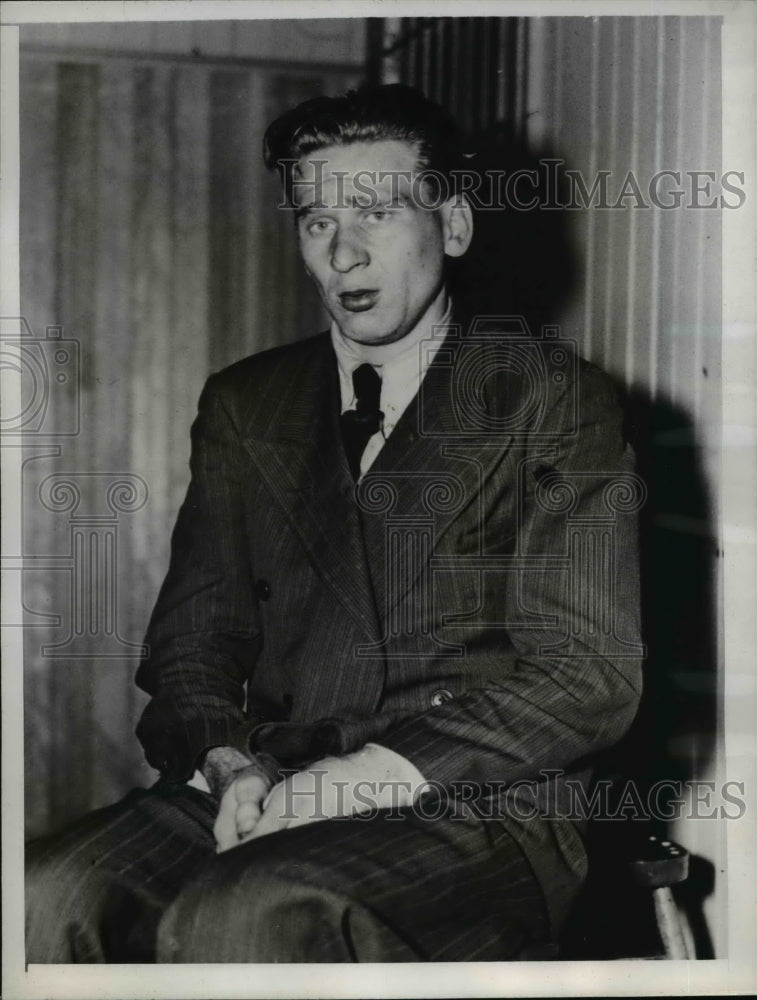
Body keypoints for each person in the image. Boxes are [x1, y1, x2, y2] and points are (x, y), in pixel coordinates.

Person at [25, 84, 643, 963]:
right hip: (264, 780)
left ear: (453, 226)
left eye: (377, 214)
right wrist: (227, 761)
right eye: (317, 221)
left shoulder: (550, 398)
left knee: (249, 914)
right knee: (43, 895)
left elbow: (585, 675)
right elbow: (191, 648)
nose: (344, 253)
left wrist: (357, 781)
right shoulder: (245, 403)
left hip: (471, 799)